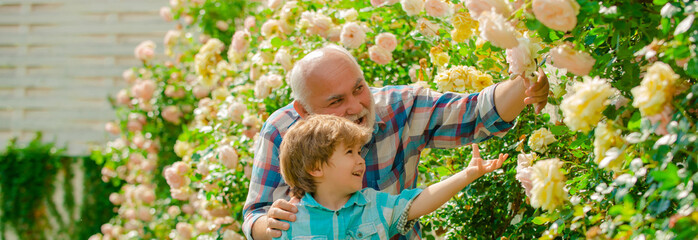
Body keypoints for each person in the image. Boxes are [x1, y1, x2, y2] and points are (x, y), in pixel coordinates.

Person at [243, 45, 549, 240]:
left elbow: (476, 113)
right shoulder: (282, 131)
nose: (356, 106)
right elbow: (255, 215)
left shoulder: (399, 107)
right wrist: (268, 225)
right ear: (304, 112)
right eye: (337, 100)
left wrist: (526, 83)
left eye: (358, 88)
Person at [274, 114, 508, 239]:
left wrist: (467, 175)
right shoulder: (290, 223)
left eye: (359, 151)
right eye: (349, 152)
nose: (360, 160)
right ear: (316, 168)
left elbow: (420, 202)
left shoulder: (374, 205)